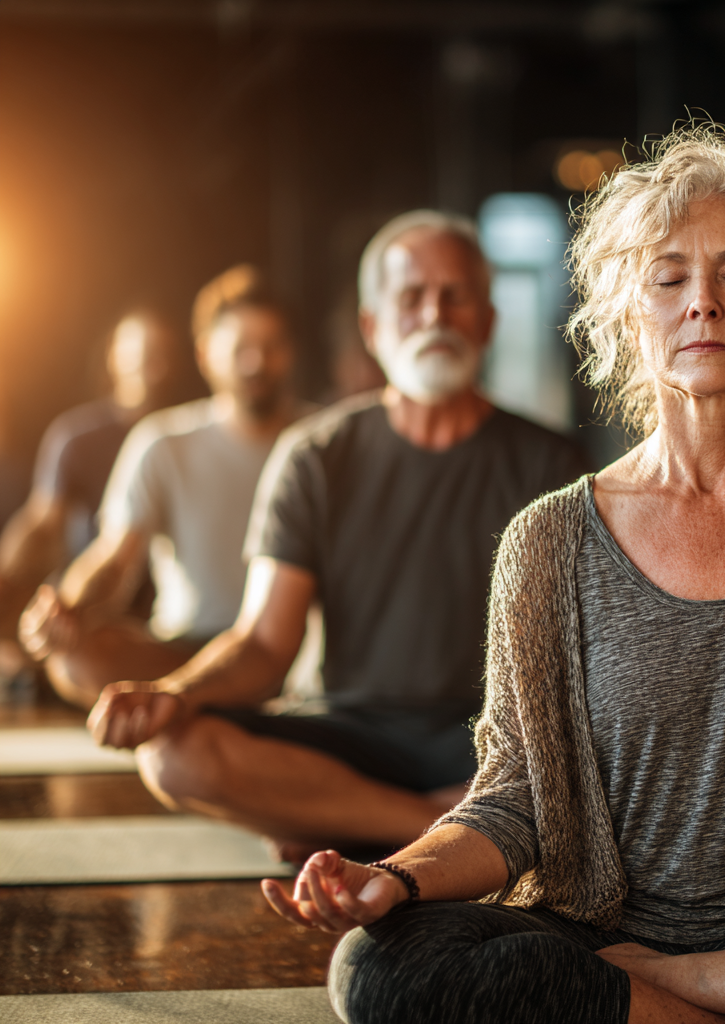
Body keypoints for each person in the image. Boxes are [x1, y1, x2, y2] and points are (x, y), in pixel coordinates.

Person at [259, 128, 725, 1024]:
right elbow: (513, 805)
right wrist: (393, 877)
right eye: (668, 279)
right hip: (599, 932)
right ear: (630, 316)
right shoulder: (546, 541)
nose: (702, 302)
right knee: (380, 968)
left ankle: (682, 997)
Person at [85, 210, 589, 855]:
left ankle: (344, 821)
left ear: (487, 320)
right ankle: (436, 830)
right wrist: (174, 694)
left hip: (485, 743)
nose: (434, 315)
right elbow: (265, 645)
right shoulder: (315, 455)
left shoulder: (553, 465)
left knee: (593, 769)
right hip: (344, 733)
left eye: (454, 296)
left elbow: (570, 659)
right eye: (412, 298)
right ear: (372, 327)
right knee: (175, 754)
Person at [19, 266, 306, 710]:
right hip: (185, 650)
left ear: (290, 352)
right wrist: (67, 606)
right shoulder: (163, 442)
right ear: (206, 353)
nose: (257, 363)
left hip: (293, 652)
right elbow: (114, 558)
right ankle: (196, 698)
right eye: (241, 349)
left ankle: (201, 707)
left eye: (271, 347)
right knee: (74, 656)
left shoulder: (322, 438)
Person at [0, 311, 180, 645]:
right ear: (113, 356)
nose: (148, 362)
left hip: (169, 608)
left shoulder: (185, 436)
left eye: (160, 351)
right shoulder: (76, 437)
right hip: (91, 602)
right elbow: (41, 523)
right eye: (138, 349)